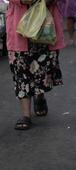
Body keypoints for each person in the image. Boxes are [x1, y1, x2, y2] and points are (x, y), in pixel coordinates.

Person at [6, 0, 65, 130]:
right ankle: (26, 115)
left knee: (42, 71)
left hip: (45, 27)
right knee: (21, 72)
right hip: (19, 29)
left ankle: (39, 95)